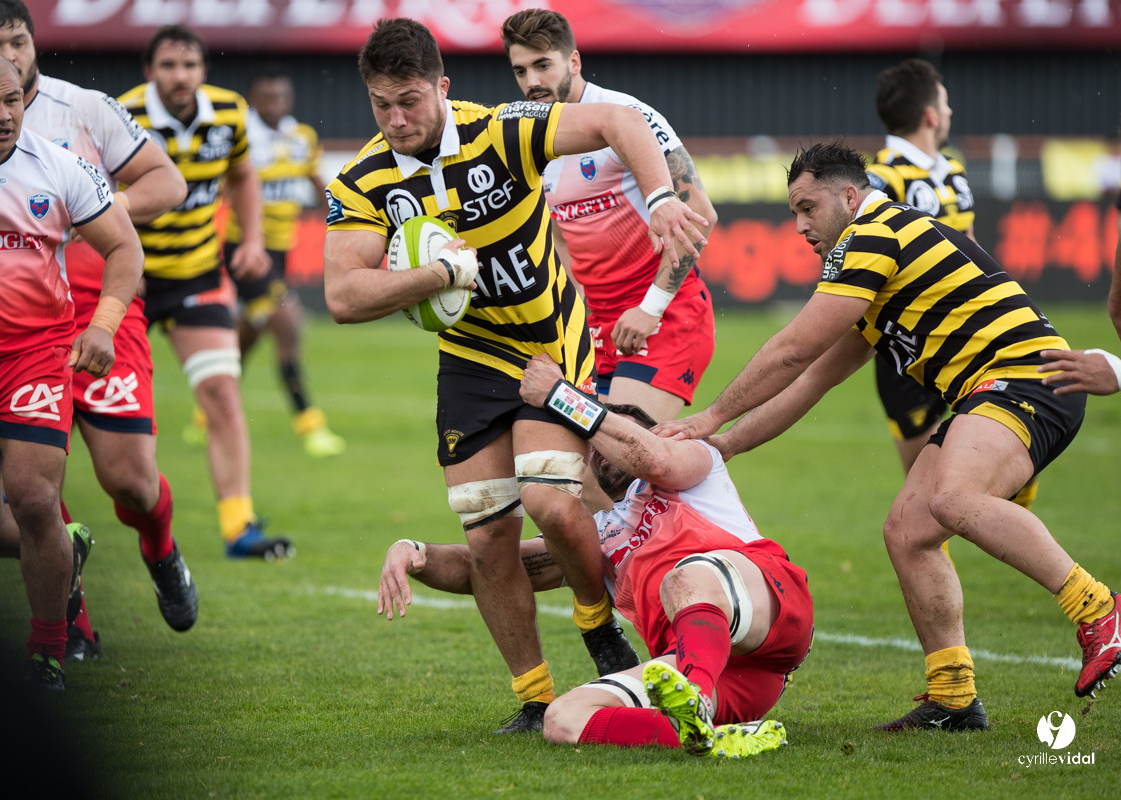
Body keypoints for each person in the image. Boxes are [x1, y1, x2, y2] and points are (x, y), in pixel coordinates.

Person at [323, 17, 708, 733]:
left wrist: (660, 199)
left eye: (410, 99)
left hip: (548, 345)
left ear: (442, 86)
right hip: (469, 361)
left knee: (552, 500)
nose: (398, 119)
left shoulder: (502, 129)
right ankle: (533, 698)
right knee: (485, 534)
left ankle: (597, 624)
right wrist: (439, 274)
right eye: (382, 104)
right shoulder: (364, 179)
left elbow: (620, 121)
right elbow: (343, 296)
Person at [660, 141, 1121, 731]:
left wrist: (709, 417)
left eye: (808, 208)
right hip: (993, 389)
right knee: (908, 530)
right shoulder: (871, 267)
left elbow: (793, 349)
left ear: (850, 196)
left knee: (952, 498)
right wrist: (725, 445)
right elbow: (810, 382)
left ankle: (1098, 609)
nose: (800, 227)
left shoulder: (875, 233)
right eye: (793, 213)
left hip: (1029, 378)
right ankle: (952, 696)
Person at [378, 356, 812, 757]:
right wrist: (414, 554)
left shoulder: (697, 462)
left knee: (684, 577)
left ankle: (693, 697)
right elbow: (495, 570)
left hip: (770, 612)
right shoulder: (594, 534)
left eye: (612, 434)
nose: (602, 449)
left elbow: (655, 460)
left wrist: (560, 396)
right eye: (594, 445)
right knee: (563, 720)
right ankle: (706, 734)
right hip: (723, 673)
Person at [0, 0, 198, 656]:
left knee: (129, 480)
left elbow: (167, 181)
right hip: (18, 329)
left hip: (102, 310)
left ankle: (161, 548)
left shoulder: (83, 108)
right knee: (35, 484)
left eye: (18, 41)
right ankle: (76, 623)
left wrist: (93, 207)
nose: (10, 55)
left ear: (35, 43)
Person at [0, 51, 143, 689]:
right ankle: (65, 549)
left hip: (37, 355)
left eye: (13, 100)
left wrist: (102, 324)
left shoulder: (59, 164)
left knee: (35, 496)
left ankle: (47, 652)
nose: (4, 114)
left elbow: (123, 248)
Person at [118, 25, 293, 560]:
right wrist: (119, 259)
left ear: (203, 71)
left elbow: (242, 175)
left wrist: (254, 239)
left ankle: (239, 528)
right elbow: (92, 194)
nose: (181, 76)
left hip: (197, 274)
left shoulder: (227, 111)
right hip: (127, 280)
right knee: (85, 395)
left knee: (221, 393)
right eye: (169, 66)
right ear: (150, 72)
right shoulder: (122, 117)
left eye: (190, 65)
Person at [499, 9, 717, 423]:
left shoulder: (627, 117)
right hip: (596, 325)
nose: (532, 82)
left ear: (574, 62)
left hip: (663, 314)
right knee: (584, 474)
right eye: (521, 70)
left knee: (622, 461)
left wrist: (651, 308)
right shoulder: (532, 135)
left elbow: (700, 215)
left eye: (543, 65)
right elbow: (559, 238)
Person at [866, 59, 1037, 509]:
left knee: (997, 464)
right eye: (945, 102)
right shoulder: (880, 181)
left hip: (971, 337)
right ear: (931, 115)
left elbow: (972, 247)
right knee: (924, 496)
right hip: (906, 348)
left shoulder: (954, 172)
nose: (951, 112)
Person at [197, 65, 345, 458]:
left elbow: (317, 182)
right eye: (267, 98)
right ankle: (309, 424)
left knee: (248, 332)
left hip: (280, 252)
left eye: (281, 97)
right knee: (288, 322)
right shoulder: (238, 138)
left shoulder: (302, 138)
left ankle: (205, 412)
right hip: (244, 251)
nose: (275, 105)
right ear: (253, 101)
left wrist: (346, 214)